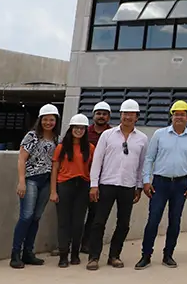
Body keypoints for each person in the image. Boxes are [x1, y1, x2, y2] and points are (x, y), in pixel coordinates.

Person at [137, 99, 187, 270]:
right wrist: (146, 181)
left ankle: (168, 255)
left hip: (180, 183)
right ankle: (146, 255)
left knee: (175, 220)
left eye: (182, 114)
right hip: (160, 182)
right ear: (171, 116)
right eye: (176, 114)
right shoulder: (159, 135)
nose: (179, 117)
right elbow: (149, 158)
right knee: (153, 219)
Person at [87, 99, 148, 270]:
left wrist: (139, 186)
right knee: (99, 222)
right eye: (125, 114)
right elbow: (97, 160)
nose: (128, 117)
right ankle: (93, 257)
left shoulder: (142, 139)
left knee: (123, 224)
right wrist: (94, 184)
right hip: (106, 184)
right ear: (120, 115)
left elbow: (141, 165)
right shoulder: (107, 135)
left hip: (128, 186)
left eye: (131, 114)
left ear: (137, 117)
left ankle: (114, 255)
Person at [10, 103, 60, 269]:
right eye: (45, 119)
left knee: (36, 217)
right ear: (40, 120)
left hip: (46, 181)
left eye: (51, 120)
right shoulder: (32, 136)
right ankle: (15, 254)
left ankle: (28, 252)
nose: (48, 123)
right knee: (26, 216)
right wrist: (21, 181)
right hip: (31, 179)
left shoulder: (56, 138)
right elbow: (22, 158)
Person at [50, 114, 95, 267]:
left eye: (82, 128)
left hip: (83, 186)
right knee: (63, 222)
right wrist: (53, 191)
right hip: (65, 185)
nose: (79, 131)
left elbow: (93, 169)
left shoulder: (90, 148)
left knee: (78, 223)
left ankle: (75, 254)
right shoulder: (61, 147)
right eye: (76, 128)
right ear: (71, 129)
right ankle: (63, 255)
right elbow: (55, 169)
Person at [79, 101, 112, 254]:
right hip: (82, 177)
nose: (101, 116)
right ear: (93, 115)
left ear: (109, 117)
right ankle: (70, 244)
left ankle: (87, 244)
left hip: (101, 180)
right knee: (77, 213)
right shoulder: (84, 132)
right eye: (98, 113)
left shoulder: (113, 134)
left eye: (104, 114)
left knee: (95, 215)